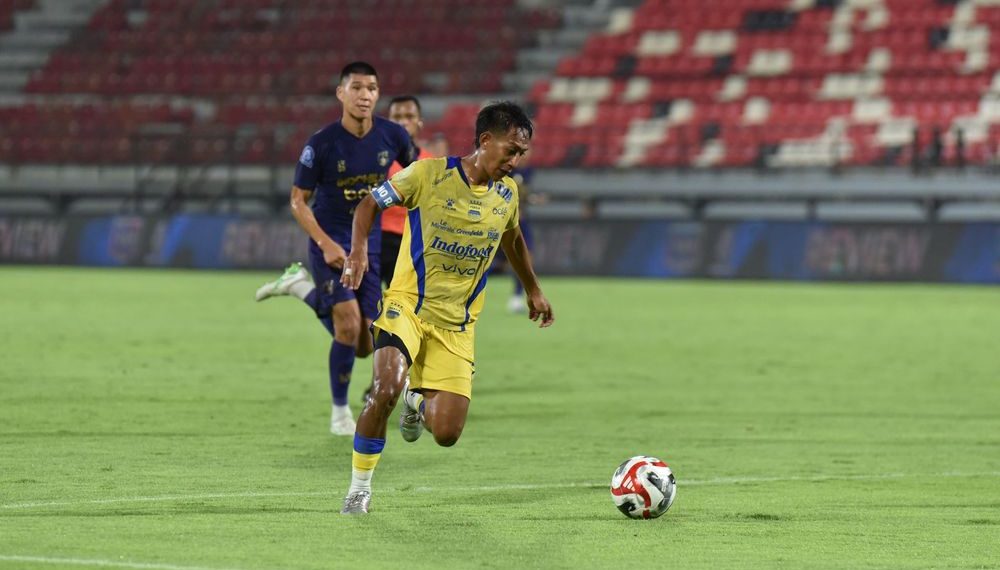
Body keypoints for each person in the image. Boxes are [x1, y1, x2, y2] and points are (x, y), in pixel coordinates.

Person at [338, 101, 554, 514]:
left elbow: (513, 240)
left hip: (457, 324)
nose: (515, 161)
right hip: (408, 307)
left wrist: (533, 290)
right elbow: (369, 204)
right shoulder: (427, 174)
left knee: (447, 433)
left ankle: (416, 401)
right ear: (486, 140)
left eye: (521, 154)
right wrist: (358, 252)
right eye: (511, 150)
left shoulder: (507, 194)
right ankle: (359, 489)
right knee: (383, 388)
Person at [254, 61, 415, 436]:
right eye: (356, 88)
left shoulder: (393, 136)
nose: (365, 95)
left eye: (372, 88)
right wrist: (325, 244)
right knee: (346, 327)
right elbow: (298, 200)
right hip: (331, 244)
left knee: (364, 343)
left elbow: (416, 177)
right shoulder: (321, 143)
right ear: (341, 93)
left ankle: (299, 287)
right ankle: (340, 413)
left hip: (368, 247)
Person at [360, 95, 437, 405]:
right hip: (379, 243)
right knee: (374, 316)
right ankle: (384, 379)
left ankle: (412, 382)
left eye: (409, 116)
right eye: (397, 116)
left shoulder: (430, 163)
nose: (404, 121)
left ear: (419, 123)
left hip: (413, 248)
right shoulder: (374, 159)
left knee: (414, 317)